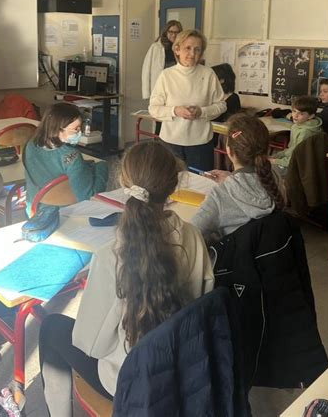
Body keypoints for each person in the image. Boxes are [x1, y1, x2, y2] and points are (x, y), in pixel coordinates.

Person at [38, 140, 214, 416]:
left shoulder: (111, 255)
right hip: (182, 366)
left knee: (50, 327)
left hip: (129, 382)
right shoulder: (193, 236)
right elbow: (202, 300)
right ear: (174, 187)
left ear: (122, 182)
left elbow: (91, 343)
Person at [191, 113, 286, 240]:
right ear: (267, 148)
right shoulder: (274, 175)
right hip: (273, 253)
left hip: (237, 258)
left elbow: (192, 235)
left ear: (229, 151)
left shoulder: (219, 196)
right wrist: (231, 178)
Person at [149, 29, 227, 172]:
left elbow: (221, 105)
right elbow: (154, 108)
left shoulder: (208, 74)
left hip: (201, 144)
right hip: (170, 143)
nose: (192, 54)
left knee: (199, 187)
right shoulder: (166, 75)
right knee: (169, 186)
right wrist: (175, 111)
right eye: (188, 48)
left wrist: (201, 112)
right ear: (177, 49)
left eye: (197, 50)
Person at [23, 102, 108, 218]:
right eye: (76, 129)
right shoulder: (71, 156)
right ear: (58, 129)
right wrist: (102, 168)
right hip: (66, 214)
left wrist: (83, 166)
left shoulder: (30, 145)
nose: (80, 133)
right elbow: (88, 197)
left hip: (35, 209)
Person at [141, 20, 182, 135]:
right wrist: (147, 93)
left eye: (177, 32)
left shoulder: (181, 48)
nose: (174, 35)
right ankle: (159, 143)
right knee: (160, 118)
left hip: (176, 89)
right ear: (166, 32)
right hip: (160, 88)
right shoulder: (156, 47)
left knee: (174, 118)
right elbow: (146, 71)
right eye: (171, 32)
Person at [270, 95, 322, 176]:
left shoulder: (306, 132)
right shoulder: (296, 126)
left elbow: (297, 157)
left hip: (297, 166)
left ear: (311, 116)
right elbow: (290, 149)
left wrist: (275, 161)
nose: (295, 115)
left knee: (263, 170)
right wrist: (276, 156)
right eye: (294, 111)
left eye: (301, 114)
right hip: (291, 161)